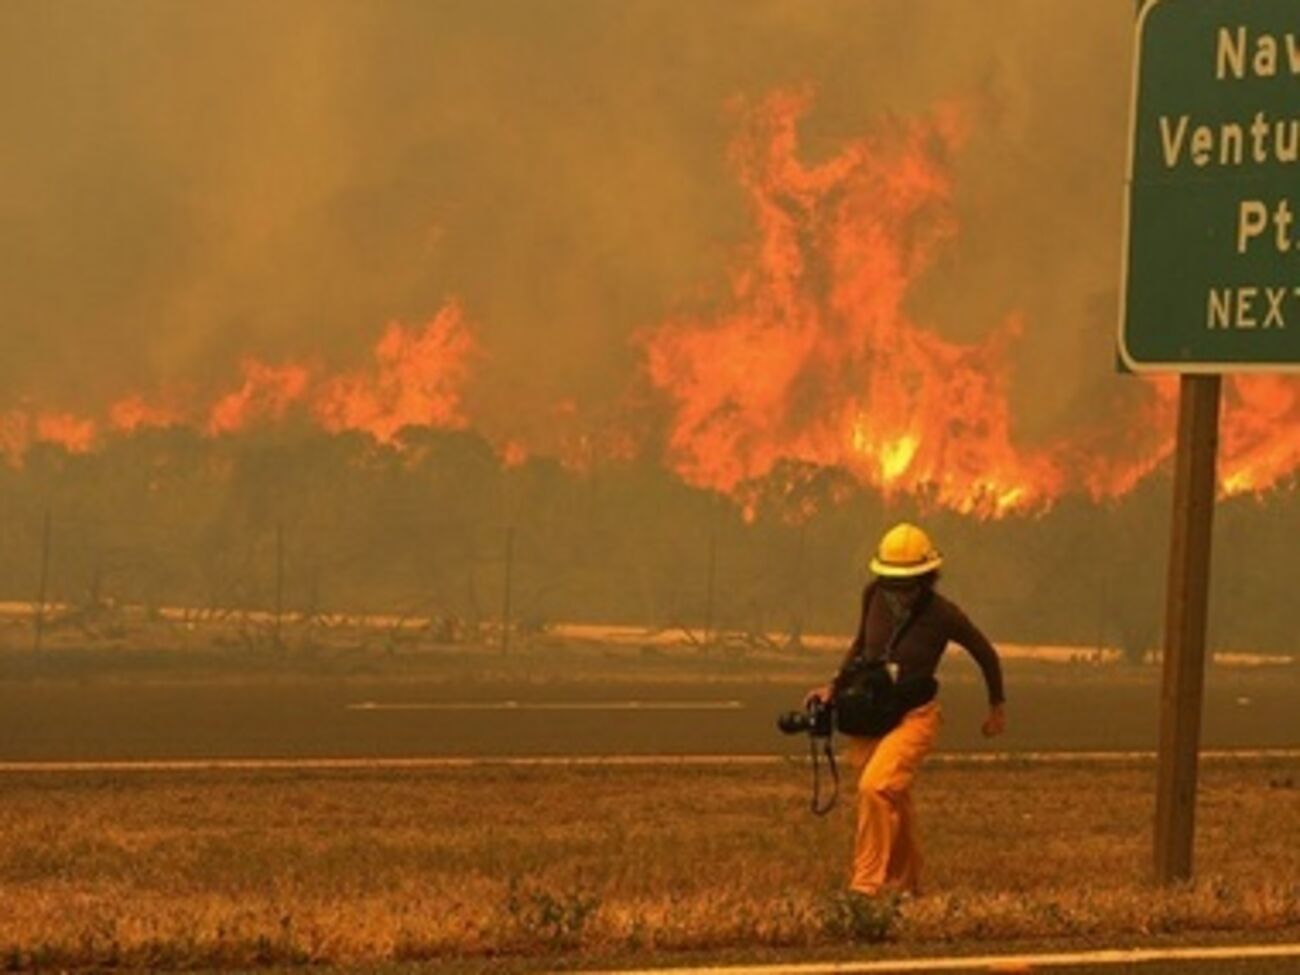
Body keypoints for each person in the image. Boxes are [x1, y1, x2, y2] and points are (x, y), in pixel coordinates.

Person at [804, 521, 1006, 898]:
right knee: (893, 799)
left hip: (915, 717)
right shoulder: (873, 595)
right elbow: (861, 645)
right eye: (891, 581)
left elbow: (985, 653)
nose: (897, 590)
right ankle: (909, 885)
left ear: (927, 577)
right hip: (873, 714)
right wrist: (834, 686)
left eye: (906, 583)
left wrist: (996, 706)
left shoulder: (944, 614)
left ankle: (865, 886)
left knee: (876, 788)